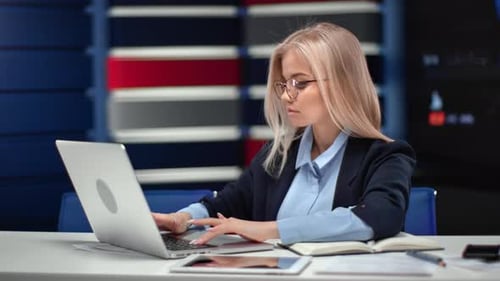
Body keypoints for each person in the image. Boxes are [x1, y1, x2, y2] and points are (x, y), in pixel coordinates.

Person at [152, 22, 416, 245]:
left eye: (299, 83)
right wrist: (183, 218)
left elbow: (381, 216)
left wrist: (268, 230)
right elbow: (229, 202)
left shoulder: (386, 155)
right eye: (284, 84)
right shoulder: (279, 153)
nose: (286, 96)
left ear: (342, 84)